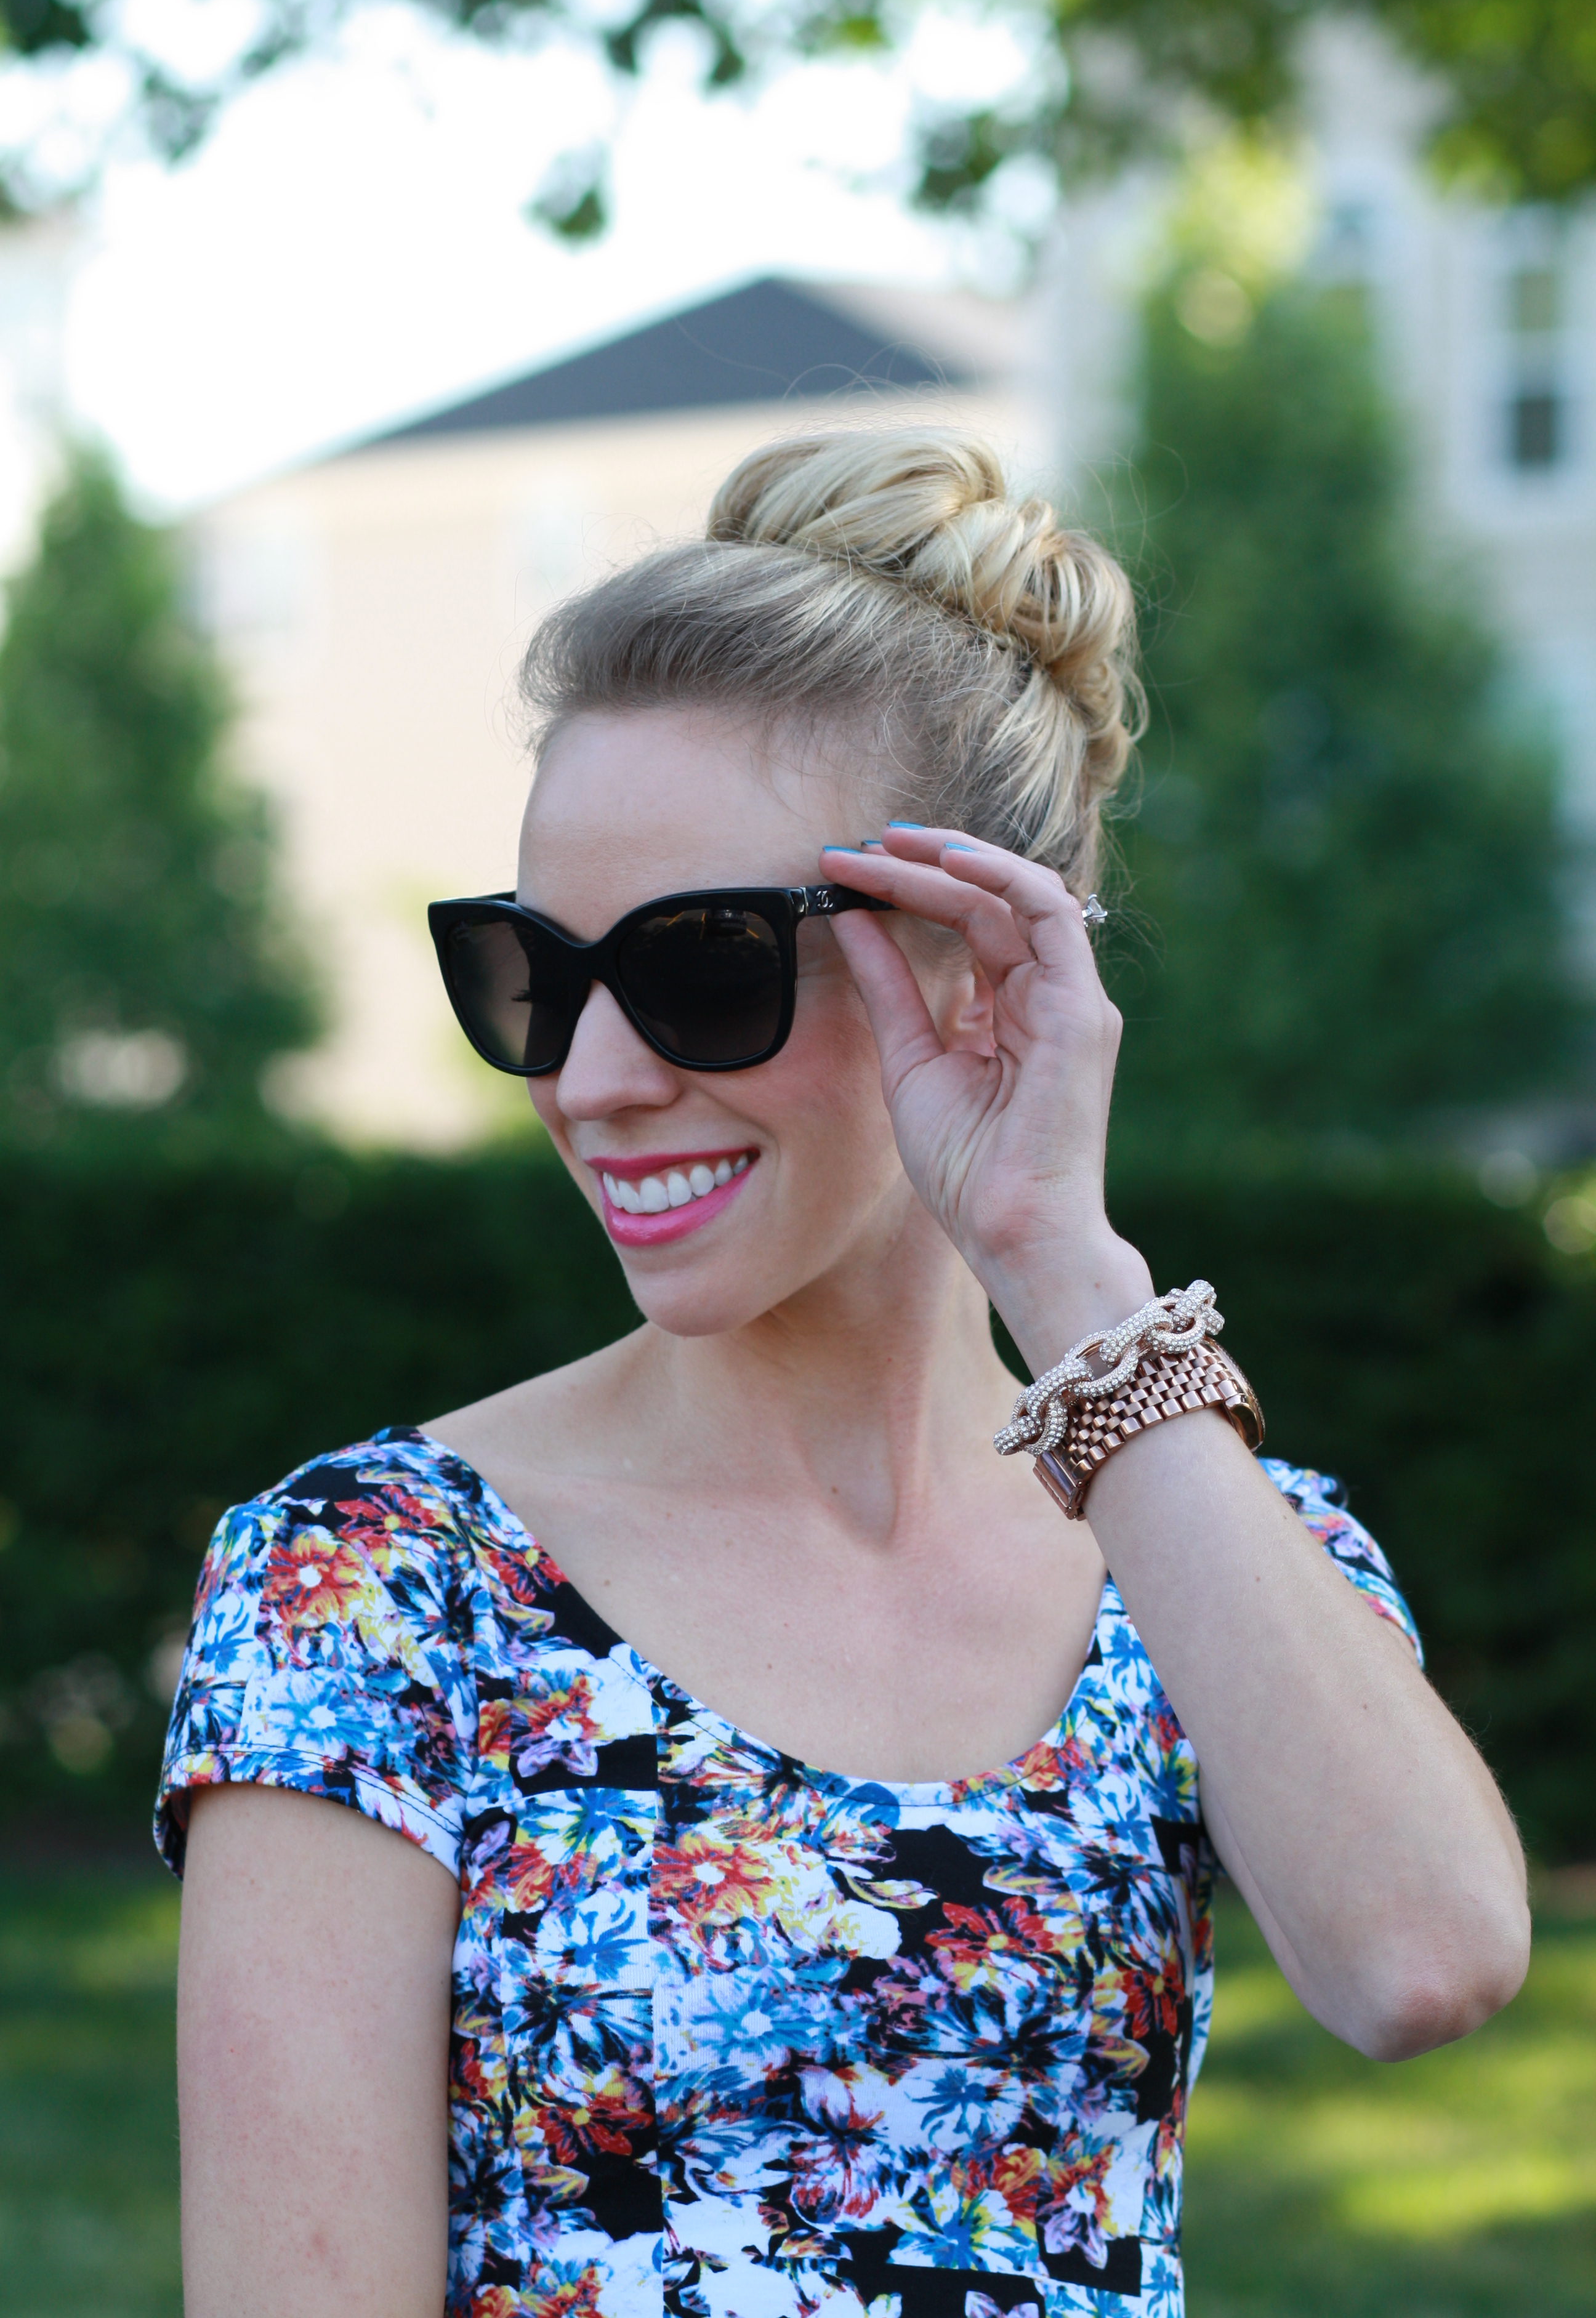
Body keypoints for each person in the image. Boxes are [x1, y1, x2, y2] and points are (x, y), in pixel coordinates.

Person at [158, 428, 1529, 2318]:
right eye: (535, 974)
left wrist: (1061, 1262)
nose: (594, 1076)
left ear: (971, 968)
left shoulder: (1209, 1542)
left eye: (702, 965)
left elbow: (1425, 1965)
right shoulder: (376, 1585)